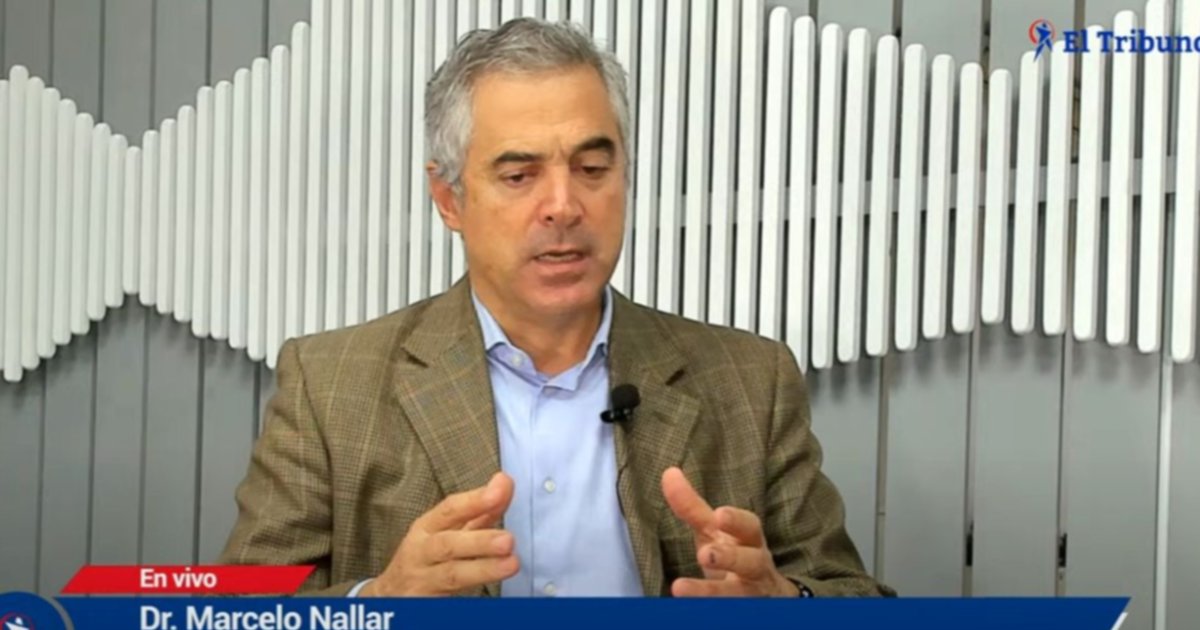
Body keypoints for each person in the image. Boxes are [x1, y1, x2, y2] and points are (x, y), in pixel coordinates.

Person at [219, 18, 892, 599]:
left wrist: (786, 600)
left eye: (593, 169)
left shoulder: (751, 380)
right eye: (519, 175)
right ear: (450, 199)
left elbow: (855, 594)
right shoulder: (330, 385)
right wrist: (379, 599)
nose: (564, 206)